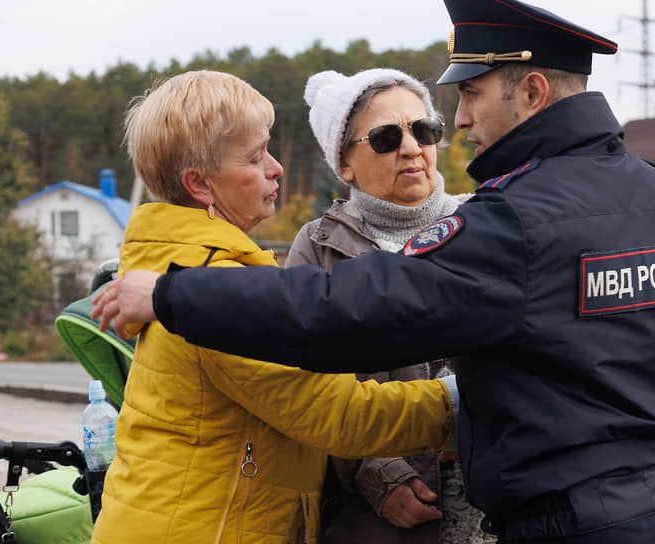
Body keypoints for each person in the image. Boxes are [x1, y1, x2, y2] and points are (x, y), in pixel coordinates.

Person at [92, 2, 655, 543]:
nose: (461, 118)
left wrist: (174, 292)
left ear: (531, 91)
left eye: (468, 95)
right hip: (653, 512)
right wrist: (604, 354)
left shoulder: (513, 223)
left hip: (560, 522)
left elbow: (347, 311)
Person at [89, 70, 459, 544]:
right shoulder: (211, 286)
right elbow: (336, 412)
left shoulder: (184, 267)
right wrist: (463, 401)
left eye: (425, 129)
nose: (276, 167)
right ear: (200, 185)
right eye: (254, 156)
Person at [288, 68, 491, 543]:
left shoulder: (485, 223)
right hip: (377, 519)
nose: (411, 147)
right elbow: (305, 387)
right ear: (344, 164)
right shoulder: (317, 247)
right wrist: (376, 473)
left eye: (424, 130)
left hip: (492, 500)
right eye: (384, 137)